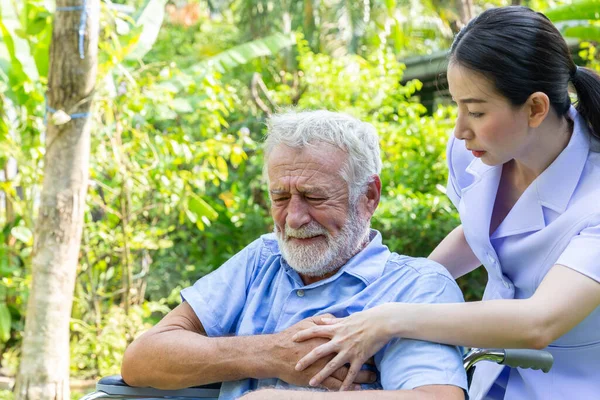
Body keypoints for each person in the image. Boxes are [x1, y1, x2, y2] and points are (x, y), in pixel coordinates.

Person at [291, 6, 600, 400]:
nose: (459, 129)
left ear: (536, 108)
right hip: (489, 374)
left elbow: (539, 322)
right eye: (457, 105)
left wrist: (391, 318)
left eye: (476, 111)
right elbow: (483, 233)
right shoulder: (476, 150)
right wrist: (382, 300)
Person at [120, 110, 467, 400]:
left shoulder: (416, 286)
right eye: (280, 198)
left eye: (314, 197)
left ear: (369, 196)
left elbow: (436, 397)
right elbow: (141, 361)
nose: (294, 218)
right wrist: (271, 354)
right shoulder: (261, 260)